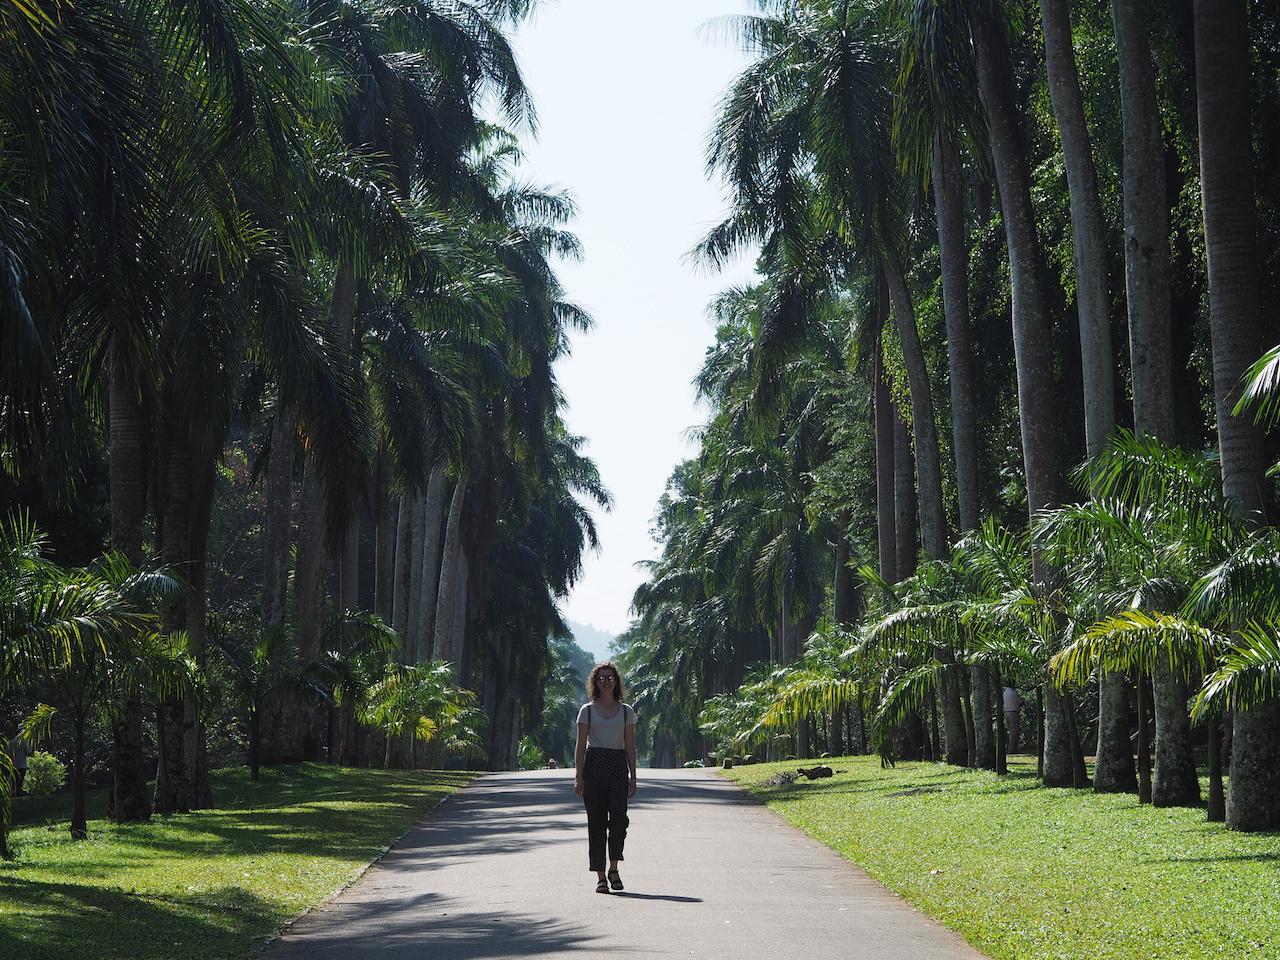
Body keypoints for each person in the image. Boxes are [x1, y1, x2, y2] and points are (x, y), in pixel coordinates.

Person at [574, 661, 637, 894]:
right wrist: (579, 776)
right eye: (602, 677)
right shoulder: (587, 710)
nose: (606, 680)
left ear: (616, 681)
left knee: (619, 820)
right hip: (594, 765)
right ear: (595, 681)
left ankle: (614, 868)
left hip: (618, 766)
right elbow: (580, 746)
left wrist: (633, 776)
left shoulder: (626, 711)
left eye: (610, 677)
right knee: (597, 822)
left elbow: (630, 746)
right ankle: (600, 876)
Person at [1003, 684, 1023, 755]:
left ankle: (1010, 748)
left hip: (1006, 712)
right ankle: (1012, 749)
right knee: (1014, 732)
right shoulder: (1014, 692)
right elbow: (1020, 702)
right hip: (1013, 712)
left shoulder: (1004, 692)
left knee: (1010, 731)